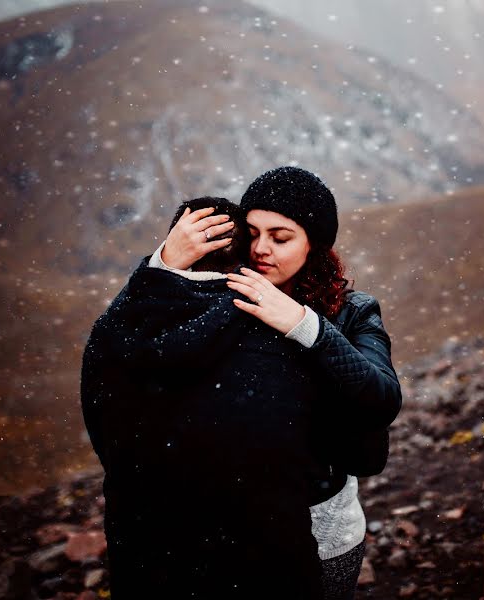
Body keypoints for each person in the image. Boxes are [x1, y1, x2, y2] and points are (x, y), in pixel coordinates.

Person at [80, 167, 402, 599]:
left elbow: (381, 398)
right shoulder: (218, 301)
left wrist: (302, 324)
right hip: (234, 538)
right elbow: (117, 349)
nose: (260, 249)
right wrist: (162, 267)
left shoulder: (353, 312)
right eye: (251, 232)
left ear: (316, 246)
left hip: (324, 526)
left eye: (281, 237)